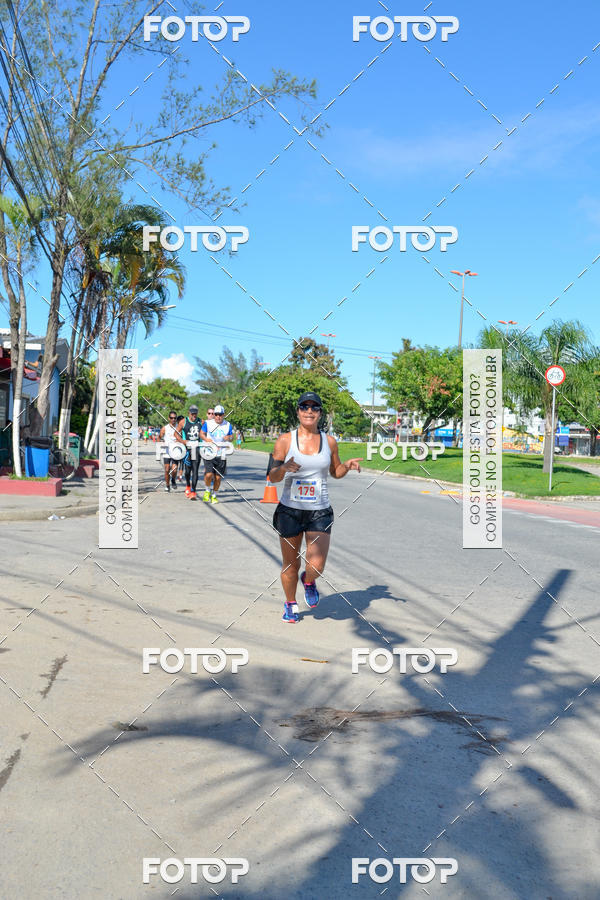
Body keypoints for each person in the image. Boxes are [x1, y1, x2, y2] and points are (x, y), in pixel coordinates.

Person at [268, 392, 362, 623]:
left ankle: (309, 580)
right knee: (291, 563)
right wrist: (284, 468)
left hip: (319, 510)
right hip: (290, 510)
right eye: (304, 407)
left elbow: (335, 472)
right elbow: (272, 476)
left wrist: (346, 466)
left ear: (320, 413)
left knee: (316, 564)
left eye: (314, 407)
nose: (309, 411)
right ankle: (290, 603)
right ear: (298, 411)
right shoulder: (284, 440)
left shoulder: (329, 442)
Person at [201, 404, 233, 503]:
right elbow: (201, 434)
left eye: (220, 414)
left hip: (221, 454)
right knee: (209, 474)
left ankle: (214, 495)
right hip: (209, 453)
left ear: (224, 415)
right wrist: (206, 439)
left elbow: (231, 436)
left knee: (218, 478)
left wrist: (229, 437)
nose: (218, 416)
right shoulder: (208, 423)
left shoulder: (228, 425)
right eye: (216, 414)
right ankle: (207, 490)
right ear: (214, 414)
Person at [159, 411, 186, 491]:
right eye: (171, 418)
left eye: (175, 418)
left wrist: (180, 441)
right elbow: (159, 438)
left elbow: (183, 438)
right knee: (167, 469)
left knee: (174, 469)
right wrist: (161, 443)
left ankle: (173, 480)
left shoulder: (179, 428)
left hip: (176, 451)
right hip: (167, 451)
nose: (173, 419)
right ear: (169, 418)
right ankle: (167, 485)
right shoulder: (165, 428)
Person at [183, 404, 204, 499]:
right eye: (192, 413)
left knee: (195, 471)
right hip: (187, 450)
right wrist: (183, 441)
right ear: (189, 413)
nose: (194, 415)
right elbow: (176, 433)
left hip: (197, 449)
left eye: (195, 413)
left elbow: (206, 432)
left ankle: (193, 491)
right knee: (187, 472)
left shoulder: (201, 422)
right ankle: (188, 485)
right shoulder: (184, 422)